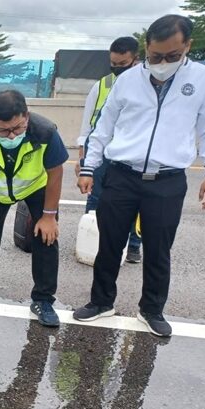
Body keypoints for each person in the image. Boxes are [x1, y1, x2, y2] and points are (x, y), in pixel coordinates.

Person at [75, 15, 205, 337]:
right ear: (146, 47)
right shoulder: (127, 81)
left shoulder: (203, 79)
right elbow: (102, 127)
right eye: (155, 56)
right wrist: (89, 166)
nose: (162, 63)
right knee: (109, 243)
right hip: (121, 175)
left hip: (167, 180)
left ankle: (152, 309)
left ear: (188, 46)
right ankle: (101, 302)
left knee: (158, 249)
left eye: (172, 56)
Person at [0, 90, 68, 328]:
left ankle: (43, 299)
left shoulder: (45, 131)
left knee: (46, 237)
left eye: (17, 128)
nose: (11, 135)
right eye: (3, 131)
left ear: (26, 116)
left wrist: (49, 216)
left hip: (35, 187)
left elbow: (56, 172)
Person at [76, 35, 142, 263]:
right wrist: (83, 156)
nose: (117, 69)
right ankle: (91, 239)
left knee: (134, 202)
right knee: (96, 198)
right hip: (102, 152)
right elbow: (88, 123)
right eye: (113, 64)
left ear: (136, 59)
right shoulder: (102, 85)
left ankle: (133, 244)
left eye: (122, 64)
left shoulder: (149, 86)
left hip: (132, 155)